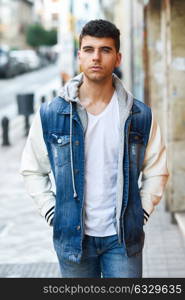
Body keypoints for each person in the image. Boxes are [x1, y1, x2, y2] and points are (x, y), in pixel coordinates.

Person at [20, 19, 169, 278]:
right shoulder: (52, 114)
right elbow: (32, 170)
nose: (96, 57)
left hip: (123, 239)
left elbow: (157, 170)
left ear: (118, 58)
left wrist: (140, 213)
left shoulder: (140, 115)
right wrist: (52, 213)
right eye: (89, 49)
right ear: (79, 56)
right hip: (73, 239)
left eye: (105, 50)